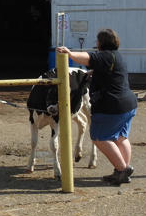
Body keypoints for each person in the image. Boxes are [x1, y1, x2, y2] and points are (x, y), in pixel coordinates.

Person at [56, 28, 137, 185]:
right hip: (129, 104)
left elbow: (87, 57)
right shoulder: (117, 57)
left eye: (97, 41)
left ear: (101, 42)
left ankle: (122, 170)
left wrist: (70, 53)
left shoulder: (103, 56)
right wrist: (95, 72)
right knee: (121, 138)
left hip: (112, 106)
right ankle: (123, 171)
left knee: (100, 137)